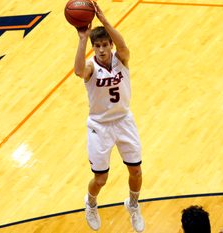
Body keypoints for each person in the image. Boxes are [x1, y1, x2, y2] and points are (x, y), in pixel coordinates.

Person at [73, 2, 144, 232]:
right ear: (94, 48)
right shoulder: (91, 67)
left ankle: (133, 204)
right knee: (101, 179)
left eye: (105, 45)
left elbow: (123, 44)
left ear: (110, 45)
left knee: (136, 171)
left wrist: (103, 21)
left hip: (124, 120)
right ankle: (90, 203)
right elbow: (77, 71)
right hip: (99, 127)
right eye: (98, 46)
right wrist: (83, 38)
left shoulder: (121, 59)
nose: (102, 49)